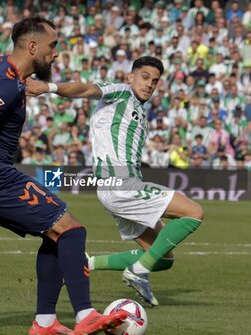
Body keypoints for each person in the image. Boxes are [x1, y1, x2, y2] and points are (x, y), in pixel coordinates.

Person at [0, 16, 127, 335]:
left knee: (54, 233)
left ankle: (45, 322)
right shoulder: (8, 83)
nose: (56, 53)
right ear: (32, 47)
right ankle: (86, 315)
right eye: (53, 46)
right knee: (73, 230)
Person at [26, 56, 204, 306]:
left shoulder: (140, 114)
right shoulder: (120, 92)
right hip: (120, 184)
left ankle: (88, 263)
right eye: (144, 77)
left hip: (121, 187)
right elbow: (86, 89)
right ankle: (138, 271)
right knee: (193, 213)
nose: (149, 85)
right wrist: (48, 87)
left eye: (154, 81)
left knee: (163, 258)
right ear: (130, 77)